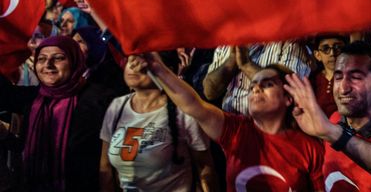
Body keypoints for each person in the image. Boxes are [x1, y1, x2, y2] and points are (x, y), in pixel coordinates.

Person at [135, 53, 324, 191]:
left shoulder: (310, 147)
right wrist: (157, 67)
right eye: (252, 86)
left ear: (288, 98)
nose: (256, 89)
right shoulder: (237, 130)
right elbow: (193, 104)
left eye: (267, 84)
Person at [284, 41, 371, 191]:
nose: (343, 89)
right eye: (338, 77)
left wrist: (335, 134)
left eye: (356, 77)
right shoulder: (335, 119)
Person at [0, 35, 116, 191]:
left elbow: (110, 163)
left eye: (58, 58)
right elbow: (24, 148)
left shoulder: (101, 100)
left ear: (74, 61)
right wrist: (6, 136)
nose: (48, 65)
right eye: (41, 59)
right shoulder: (33, 99)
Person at [99, 52, 217, 191]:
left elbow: (204, 168)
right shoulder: (117, 107)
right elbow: (105, 166)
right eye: (130, 59)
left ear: (166, 69)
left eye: (143, 61)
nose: (133, 65)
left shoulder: (183, 112)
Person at [202, 41, 312, 115]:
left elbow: (288, 91)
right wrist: (231, 60)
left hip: (270, 130)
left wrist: (246, 64)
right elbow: (209, 92)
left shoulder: (290, 44)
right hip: (231, 127)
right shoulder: (226, 44)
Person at [310, 34, 346, 118]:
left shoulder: (353, 79)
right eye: (325, 49)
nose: (332, 53)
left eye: (337, 47)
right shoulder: (312, 80)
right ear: (317, 55)